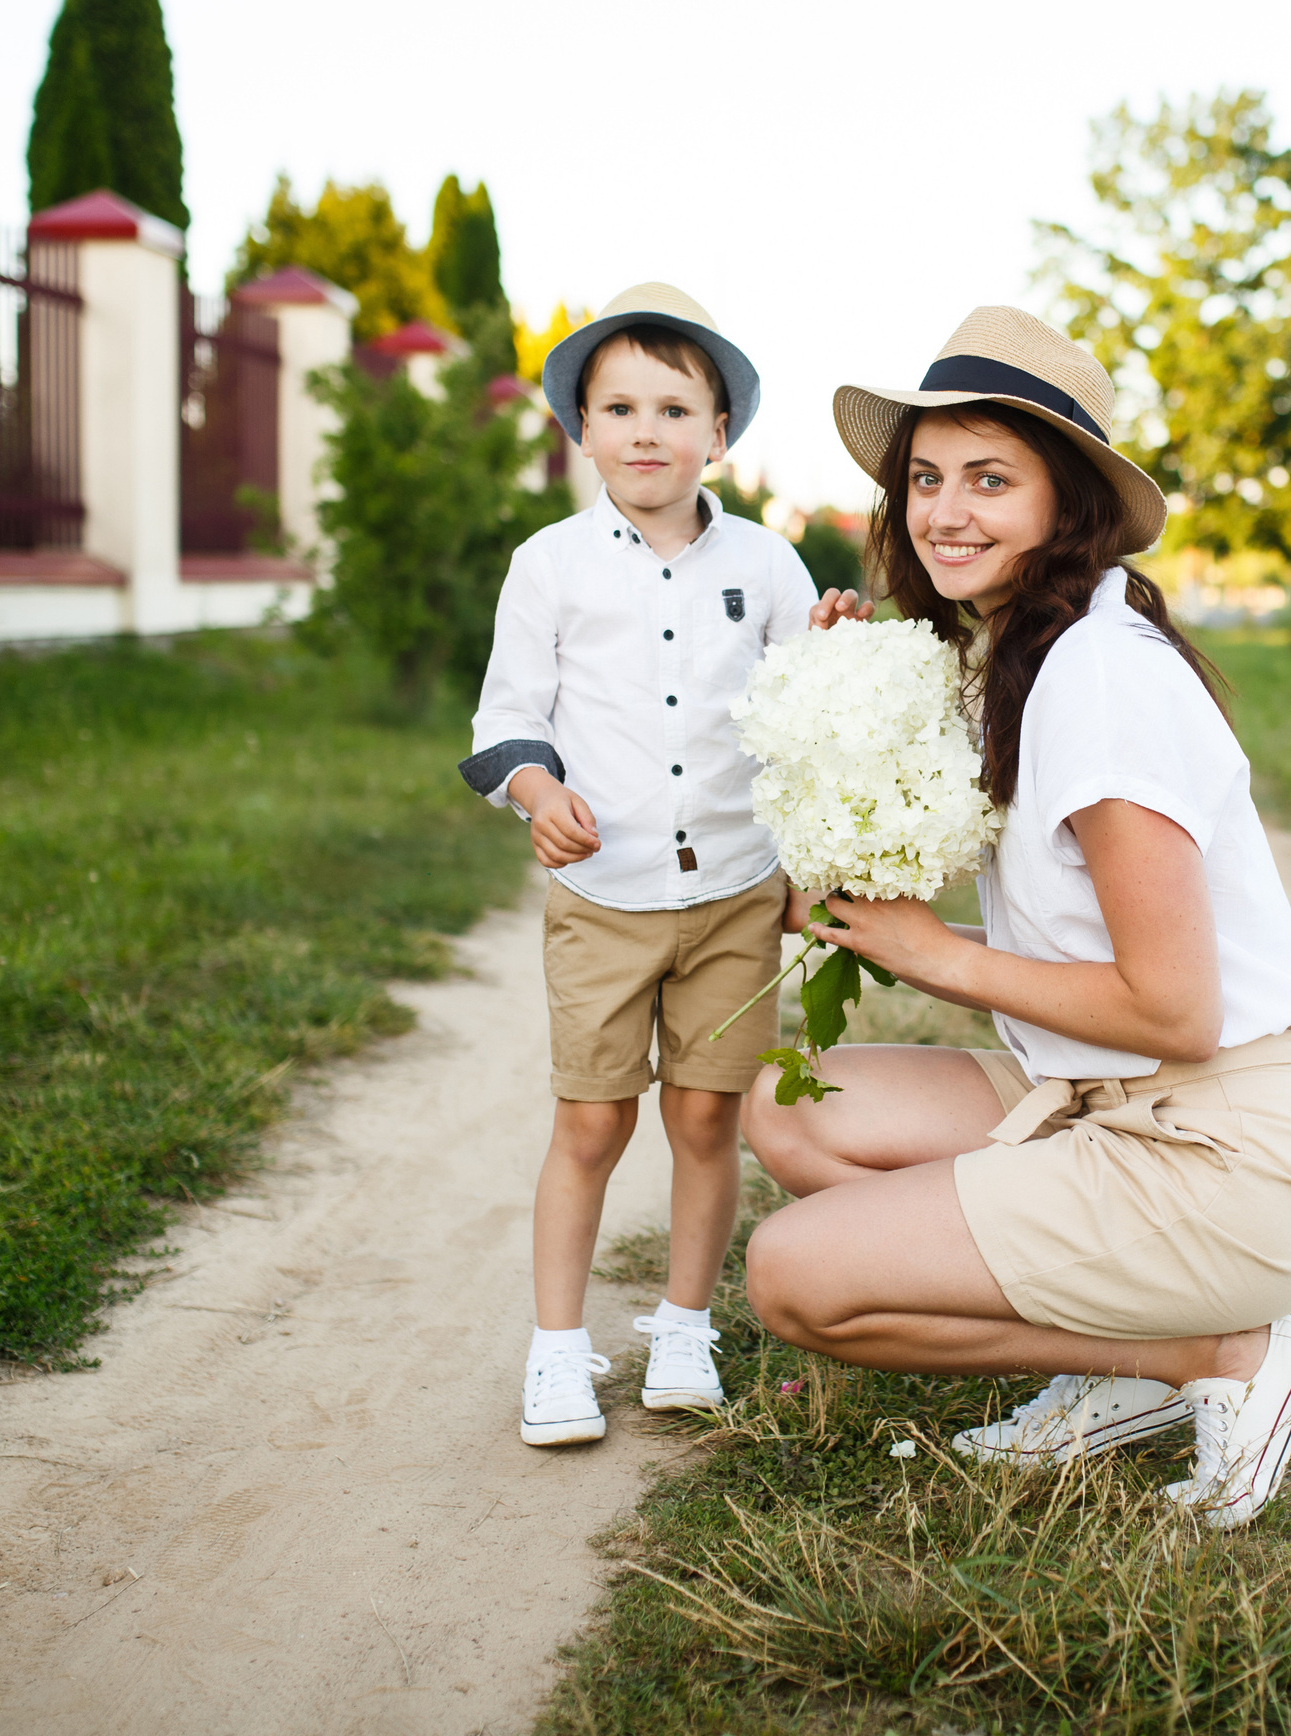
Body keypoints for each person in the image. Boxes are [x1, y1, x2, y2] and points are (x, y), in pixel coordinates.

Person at [740, 307, 1291, 1529]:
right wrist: (848, 697)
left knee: (792, 1277)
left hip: (1220, 1152)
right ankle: (1125, 1349)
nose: (944, 510)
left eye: (989, 478)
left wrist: (943, 959)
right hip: (1100, 1098)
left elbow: (1177, 1010)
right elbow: (876, 878)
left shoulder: (1101, 677)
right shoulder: (1024, 655)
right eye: (924, 477)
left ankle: (1218, 1354)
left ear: (1064, 501)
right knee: (795, 1112)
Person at [460, 284, 815, 1447]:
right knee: (591, 1125)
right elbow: (505, 713)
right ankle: (558, 1349)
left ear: (719, 433)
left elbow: (804, 711)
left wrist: (838, 649)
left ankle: (680, 1325)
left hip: (733, 893)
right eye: (619, 406)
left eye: (675, 407)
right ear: (582, 426)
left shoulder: (765, 566)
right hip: (603, 899)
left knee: (707, 1119)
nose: (646, 429)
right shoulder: (549, 564)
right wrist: (534, 785)